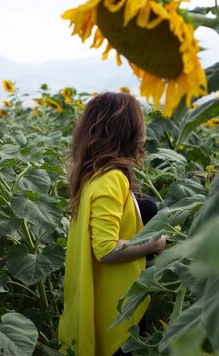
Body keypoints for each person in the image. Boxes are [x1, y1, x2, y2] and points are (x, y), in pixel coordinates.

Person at [58, 92, 167, 356]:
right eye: (140, 123)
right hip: (116, 304)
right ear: (127, 129)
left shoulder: (94, 177)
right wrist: (155, 242)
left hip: (108, 299)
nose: (144, 131)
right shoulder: (111, 179)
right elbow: (105, 249)